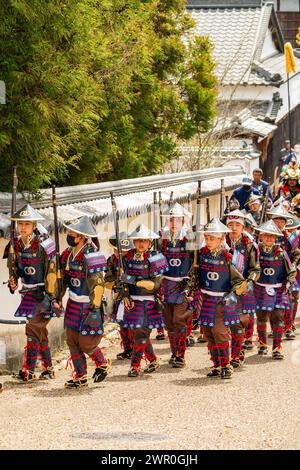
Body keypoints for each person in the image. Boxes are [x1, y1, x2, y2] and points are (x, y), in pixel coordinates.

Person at [4, 204, 58, 382]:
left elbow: (52, 274)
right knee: (39, 332)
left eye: (27, 224)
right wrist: (12, 283)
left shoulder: (44, 245)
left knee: (32, 330)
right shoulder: (15, 244)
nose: (22, 227)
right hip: (26, 294)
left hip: (43, 294)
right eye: (20, 224)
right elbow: (15, 271)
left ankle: (28, 369)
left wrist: (51, 298)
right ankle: (48, 368)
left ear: (34, 225)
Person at [193, 218, 246, 379]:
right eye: (206, 237)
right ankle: (216, 364)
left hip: (221, 302)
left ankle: (226, 365)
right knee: (208, 333)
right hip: (205, 300)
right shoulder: (200, 255)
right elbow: (195, 276)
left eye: (212, 238)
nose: (208, 241)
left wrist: (232, 296)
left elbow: (240, 282)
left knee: (220, 332)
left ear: (222, 239)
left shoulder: (229, 258)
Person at [61, 216, 109, 389]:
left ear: (81, 236)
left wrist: (95, 310)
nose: (68, 234)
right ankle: (80, 376)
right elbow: (62, 279)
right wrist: (56, 297)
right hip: (73, 303)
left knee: (86, 342)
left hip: (89, 305)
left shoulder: (92, 254)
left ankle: (102, 363)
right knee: (72, 340)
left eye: (71, 232)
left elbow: (98, 285)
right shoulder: (68, 254)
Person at [121, 224, 169, 377]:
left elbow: (154, 284)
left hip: (149, 302)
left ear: (150, 241)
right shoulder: (127, 257)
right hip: (133, 301)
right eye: (138, 240)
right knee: (138, 334)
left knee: (141, 334)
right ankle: (153, 360)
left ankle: (135, 366)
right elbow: (121, 281)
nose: (141, 244)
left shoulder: (156, 257)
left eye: (144, 240)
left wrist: (133, 281)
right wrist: (125, 294)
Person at [254, 220, 297, 359]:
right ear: (261, 236)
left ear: (275, 238)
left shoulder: (281, 252)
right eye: (266, 235)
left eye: (272, 236)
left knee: (278, 317)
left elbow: (289, 269)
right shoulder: (256, 251)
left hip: (278, 288)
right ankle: (262, 344)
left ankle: (277, 348)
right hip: (260, 288)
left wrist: (291, 276)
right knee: (261, 318)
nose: (268, 238)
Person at [160, 203, 195, 368]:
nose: (174, 223)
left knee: (179, 319)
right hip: (166, 283)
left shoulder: (188, 237)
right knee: (169, 321)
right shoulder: (163, 238)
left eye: (178, 220)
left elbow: (195, 259)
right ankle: (174, 352)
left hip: (182, 283)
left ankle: (181, 354)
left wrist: (190, 281)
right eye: (171, 219)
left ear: (183, 221)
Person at [225, 210, 260, 368]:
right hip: (224, 288)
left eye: (237, 225)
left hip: (244, 287)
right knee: (224, 324)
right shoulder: (221, 241)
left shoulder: (249, 244)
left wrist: (249, 282)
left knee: (240, 322)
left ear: (243, 226)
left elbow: (255, 268)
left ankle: (237, 354)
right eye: (230, 224)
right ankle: (225, 357)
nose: (233, 228)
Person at [105, 232, 134, 360]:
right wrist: (116, 281)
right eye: (116, 250)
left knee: (132, 324)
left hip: (133, 295)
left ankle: (135, 349)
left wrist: (126, 278)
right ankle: (127, 349)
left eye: (120, 250)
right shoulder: (111, 260)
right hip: (119, 295)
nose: (117, 253)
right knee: (122, 323)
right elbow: (108, 278)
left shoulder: (134, 259)